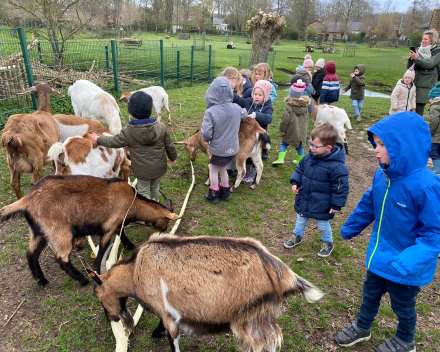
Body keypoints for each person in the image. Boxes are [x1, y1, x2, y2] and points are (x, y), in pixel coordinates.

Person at [334, 111, 440, 352]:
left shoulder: (427, 186)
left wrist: (408, 262)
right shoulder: (382, 175)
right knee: (369, 294)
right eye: (376, 143)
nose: (376, 149)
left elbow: (435, 234)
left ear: (405, 147)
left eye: (383, 144)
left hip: (406, 267)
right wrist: (351, 227)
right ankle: (363, 327)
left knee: (402, 305)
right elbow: (369, 203)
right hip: (379, 257)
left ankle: (405, 340)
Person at [89, 91, 177, 201]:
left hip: (142, 171)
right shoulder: (161, 126)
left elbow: (114, 142)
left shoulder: (128, 132)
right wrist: (172, 157)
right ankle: (157, 208)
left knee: (144, 191)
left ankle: (148, 213)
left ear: (131, 114)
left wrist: (98, 138)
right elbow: (169, 144)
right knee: (155, 187)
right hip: (159, 167)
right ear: (150, 110)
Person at [283, 122, 349, 257]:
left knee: (323, 225)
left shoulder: (337, 167)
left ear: (328, 148)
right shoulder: (308, 157)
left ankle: (327, 242)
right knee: (300, 219)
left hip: (323, 203)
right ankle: (297, 236)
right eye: (310, 143)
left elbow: (340, 187)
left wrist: (337, 204)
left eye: (315, 146)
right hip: (305, 197)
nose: (311, 148)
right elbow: (300, 170)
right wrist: (295, 182)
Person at [201, 77, 248, 204]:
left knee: (214, 169)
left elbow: (206, 133)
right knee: (224, 168)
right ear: (229, 92)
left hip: (217, 149)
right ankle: (225, 193)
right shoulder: (236, 108)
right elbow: (244, 114)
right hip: (232, 148)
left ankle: (214, 194)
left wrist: (207, 139)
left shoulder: (210, 112)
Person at [233, 80, 273, 163]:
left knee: (253, 153)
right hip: (246, 133)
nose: (256, 97)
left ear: (265, 96)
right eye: (255, 94)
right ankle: (239, 167)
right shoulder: (249, 101)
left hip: (257, 135)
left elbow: (268, 118)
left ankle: (252, 171)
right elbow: (240, 101)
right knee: (243, 150)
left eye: (260, 95)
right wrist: (232, 95)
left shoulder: (267, 107)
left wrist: (256, 115)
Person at [273, 79, 310, 166]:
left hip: (291, 129)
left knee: (284, 143)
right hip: (302, 130)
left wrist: (282, 129)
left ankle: (281, 158)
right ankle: (300, 161)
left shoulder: (289, 106)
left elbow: (285, 119)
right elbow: (307, 118)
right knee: (300, 146)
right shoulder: (305, 105)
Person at [408, 29, 440, 117]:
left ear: (432, 40)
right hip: (415, 81)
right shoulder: (419, 50)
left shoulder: (437, 51)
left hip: (426, 83)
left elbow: (429, 64)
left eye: (426, 39)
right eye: (422, 39)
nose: (423, 41)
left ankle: (419, 128)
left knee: (419, 108)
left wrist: (417, 58)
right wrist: (411, 59)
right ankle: (410, 126)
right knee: (409, 106)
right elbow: (409, 67)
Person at [428, 83, 440, 175]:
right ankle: (437, 165)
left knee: (432, 150)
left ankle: (437, 169)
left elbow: (434, 121)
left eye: (430, 98)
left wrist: (430, 131)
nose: (429, 100)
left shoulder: (435, 107)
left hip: (437, 134)